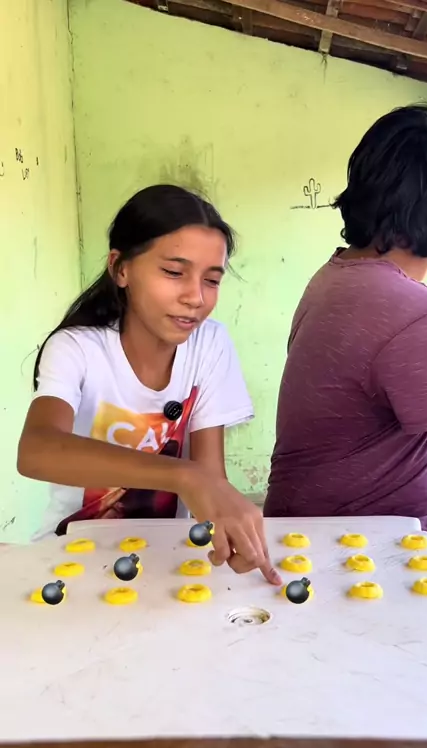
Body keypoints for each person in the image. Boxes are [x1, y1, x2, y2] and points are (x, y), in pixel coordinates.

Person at [18, 184, 281, 584]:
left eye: (211, 280)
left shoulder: (210, 345)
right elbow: (36, 450)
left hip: (165, 557)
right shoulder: (77, 348)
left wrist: (231, 530)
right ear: (120, 268)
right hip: (72, 556)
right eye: (174, 272)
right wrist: (182, 474)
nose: (195, 297)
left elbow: (210, 476)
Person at [265, 105, 427, 538]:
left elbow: (353, 430)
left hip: (298, 537)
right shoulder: (424, 318)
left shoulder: (332, 279)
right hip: (379, 557)